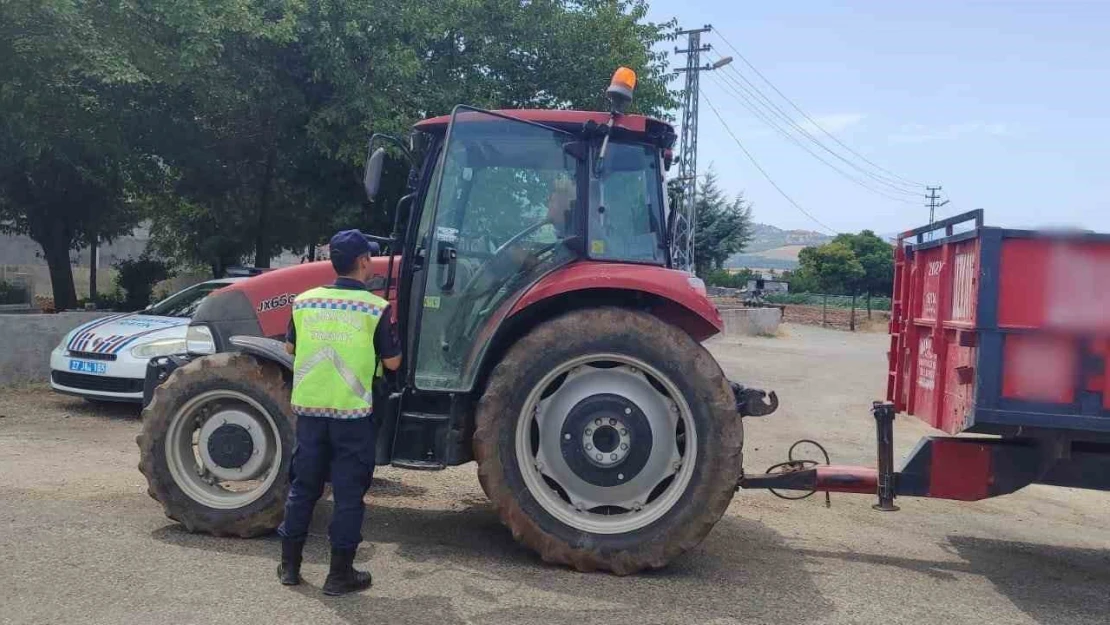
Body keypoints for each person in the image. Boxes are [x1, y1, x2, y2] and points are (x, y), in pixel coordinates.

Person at [277, 229, 402, 596]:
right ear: (364, 261)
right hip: (353, 417)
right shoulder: (375, 309)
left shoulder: (304, 302)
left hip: (311, 414)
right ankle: (339, 576)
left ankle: (290, 568)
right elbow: (392, 362)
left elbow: (289, 349)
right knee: (348, 496)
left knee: (303, 489)